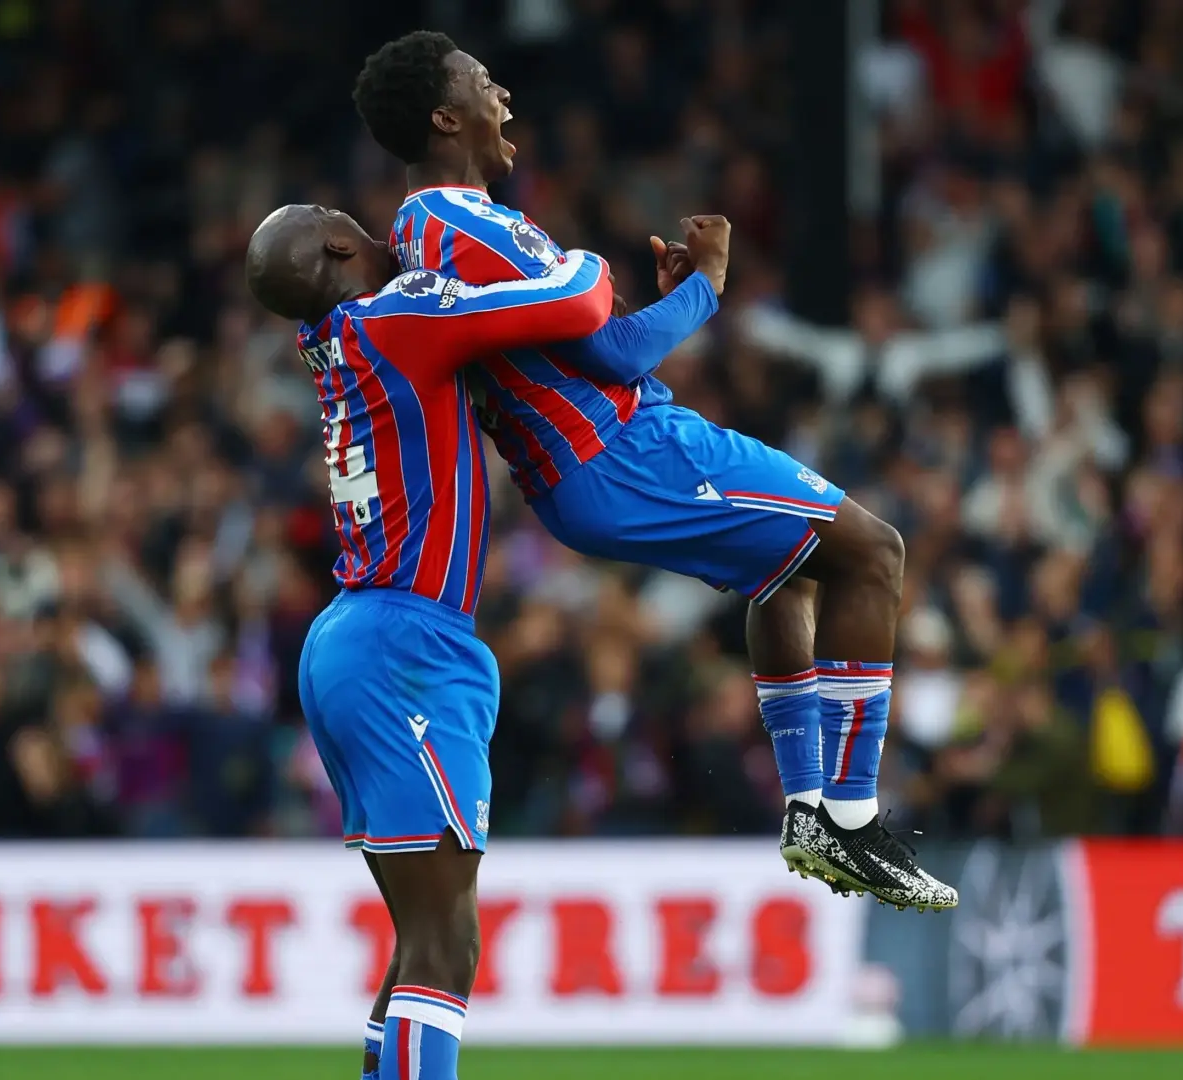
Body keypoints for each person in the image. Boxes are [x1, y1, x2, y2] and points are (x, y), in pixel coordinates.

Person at [354, 31, 958, 913]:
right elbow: (611, 349)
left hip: (588, 465)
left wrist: (655, 298)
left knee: (788, 576)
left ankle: (806, 810)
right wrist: (705, 287)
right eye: (484, 84)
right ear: (447, 116)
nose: (505, 97)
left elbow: (570, 347)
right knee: (873, 552)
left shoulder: (426, 231)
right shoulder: (461, 220)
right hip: (623, 452)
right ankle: (856, 818)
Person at [246, 202, 674, 1080]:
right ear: (334, 245)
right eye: (337, 214)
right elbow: (579, 304)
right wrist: (578, 255)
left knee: (421, 939)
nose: (354, 216)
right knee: (446, 942)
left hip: (355, 638)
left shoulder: (336, 341)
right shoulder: (393, 318)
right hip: (403, 640)